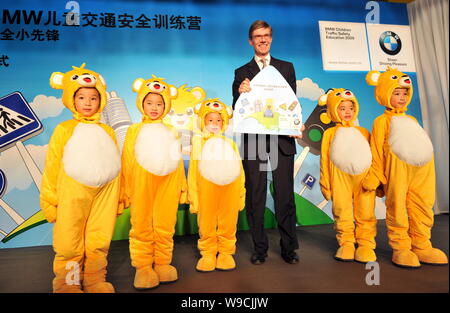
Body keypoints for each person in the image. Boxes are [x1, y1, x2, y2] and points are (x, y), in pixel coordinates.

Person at [41, 63, 122, 293]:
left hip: (105, 194)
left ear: (101, 101)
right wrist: (50, 199)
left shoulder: (107, 131)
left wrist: (120, 196)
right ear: (71, 99)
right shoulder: (64, 129)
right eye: (82, 97)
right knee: (69, 241)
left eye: (93, 98)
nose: (87, 103)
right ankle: (69, 282)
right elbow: (52, 165)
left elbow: (117, 164)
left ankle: (95, 279)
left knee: (99, 240)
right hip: (72, 194)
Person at [363, 67, 448, 268]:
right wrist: (377, 175)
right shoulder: (381, 121)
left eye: (405, 93)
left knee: (423, 206)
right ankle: (401, 247)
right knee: (398, 207)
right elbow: (376, 149)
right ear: (384, 93)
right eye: (396, 93)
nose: (402, 98)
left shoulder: (411, 119)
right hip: (398, 171)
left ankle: (422, 244)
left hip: (423, 171)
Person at [232, 20, 300, 265]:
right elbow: (236, 108)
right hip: (255, 143)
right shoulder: (241, 72)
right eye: (258, 36)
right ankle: (259, 249)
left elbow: (292, 104)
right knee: (256, 195)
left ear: (271, 38)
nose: (262, 40)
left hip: (282, 141)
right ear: (251, 41)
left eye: (266, 35)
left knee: (284, 195)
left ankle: (289, 248)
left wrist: (295, 123)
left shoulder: (287, 67)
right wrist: (241, 91)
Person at [121, 76, 188, 289]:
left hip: (167, 184)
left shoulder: (171, 131)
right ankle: (143, 267)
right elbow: (127, 159)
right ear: (141, 103)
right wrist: (126, 187)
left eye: (159, 104)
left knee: (165, 224)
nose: (154, 108)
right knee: (141, 224)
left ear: (166, 106)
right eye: (150, 103)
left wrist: (182, 186)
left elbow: (177, 161)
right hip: (141, 184)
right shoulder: (134, 130)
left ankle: (162, 263)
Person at [319, 88, 377, 263]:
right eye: (342, 108)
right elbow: (324, 158)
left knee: (366, 211)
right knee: (342, 210)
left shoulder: (364, 132)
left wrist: (375, 179)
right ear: (333, 110)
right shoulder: (330, 133)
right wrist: (325, 183)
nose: (347, 112)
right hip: (339, 178)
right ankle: (346, 243)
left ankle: (366, 244)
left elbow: (374, 156)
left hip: (364, 179)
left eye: (350, 108)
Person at [188, 98, 246, 272]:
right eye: (210, 120)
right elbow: (193, 171)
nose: (214, 123)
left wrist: (241, 194)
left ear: (224, 122)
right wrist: (194, 197)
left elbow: (240, 171)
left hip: (230, 191)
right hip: (206, 191)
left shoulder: (230, 144)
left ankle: (226, 252)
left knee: (228, 221)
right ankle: (208, 253)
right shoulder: (198, 143)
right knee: (206, 222)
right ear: (203, 121)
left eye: (218, 120)